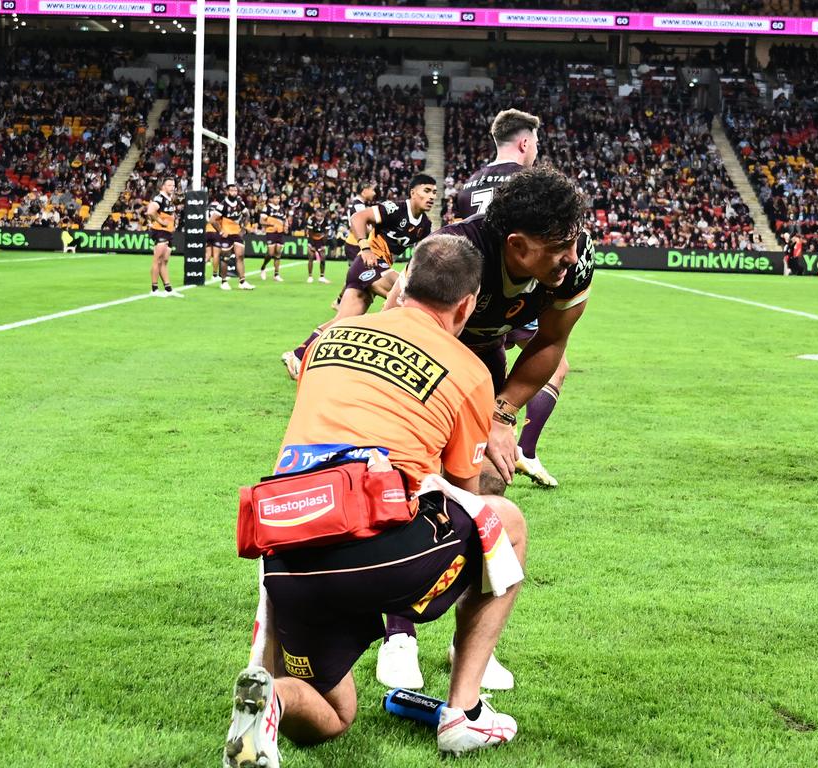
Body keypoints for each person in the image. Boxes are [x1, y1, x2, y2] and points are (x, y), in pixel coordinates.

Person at [222, 235, 526, 765]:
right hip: (378, 552)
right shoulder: (470, 370)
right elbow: (464, 493)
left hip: (287, 549)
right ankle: (464, 714)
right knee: (505, 520)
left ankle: (271, 703)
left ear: (404, 280)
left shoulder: (329, 337)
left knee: (334, 716)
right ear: (466, 304)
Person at [376, 165, 592, 691]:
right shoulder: (455, 251)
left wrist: (500, 414)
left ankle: (465, 643)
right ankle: (399, 633)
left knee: (489, 489)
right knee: (414, 488)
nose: (570, 256)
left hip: (485, 362)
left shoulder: (575, 262)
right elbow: (398, 327)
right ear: (517, 247)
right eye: (558, 245)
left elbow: (548, 344)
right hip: (420, 361)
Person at [451, 108, 564, 487]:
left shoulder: (468, 184)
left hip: (470, 294)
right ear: (525, 142)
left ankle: (479, 446)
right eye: (537, 144)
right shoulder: (531, 182)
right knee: (555, 363)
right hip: (515, 287)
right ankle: (524, 452)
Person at [281, 175, 436, 380]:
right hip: (367, 263)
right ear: (413, 192)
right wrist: (364, 247)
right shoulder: (395, 209)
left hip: (375, 269)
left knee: (343, 321)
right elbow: (358, 218)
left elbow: (420, 255)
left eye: (434, 192)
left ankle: (297, 355)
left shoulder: (425, 225)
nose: (432, 196)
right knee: (407, 295)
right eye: (426, 190)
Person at [210, 183, 255, 291]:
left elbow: (247, 215)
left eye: (235, 190)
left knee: (240, 256)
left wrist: (243, 228)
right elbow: (212, 220)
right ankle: (224, 281)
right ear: (227, 192)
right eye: (232, 191)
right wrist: (221, 231)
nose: (234, 192)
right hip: (226, 235)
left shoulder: (240, 202)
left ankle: (242, 282)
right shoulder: (223, 204)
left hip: (237, 234)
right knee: (225, 258)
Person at [145, 177, 183, 297]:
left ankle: (168, 288)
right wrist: (160, 221)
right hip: (160, 231)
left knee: (164, 261)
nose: (172, 187)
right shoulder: (159, 198)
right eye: (169, 185)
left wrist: (173, 220)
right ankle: (154, 289)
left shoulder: (169, 199)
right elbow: (150, 211)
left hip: (168, 231)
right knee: (157, 260)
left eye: (173, 185)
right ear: (163, 186)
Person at [258, 192, 286, 282]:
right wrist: (269, 223)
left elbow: (284, 220)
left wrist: (286, 226)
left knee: (278, 252)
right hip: (271, 232)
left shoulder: (281, 209)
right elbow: (261, 221)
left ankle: (276, 274)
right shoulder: (267, 208)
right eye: (275, 198)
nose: (277, 200)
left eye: (278, 198)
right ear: (271, 199)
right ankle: (263, 267)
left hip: (280, 233)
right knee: (270, 253)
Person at [305, 209, 330, 284]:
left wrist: (323, 245)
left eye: (321, 216)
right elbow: (310, 233)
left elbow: (326, 234)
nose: (319, 218)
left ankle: (322, 277)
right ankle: (310, 276)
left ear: (324, 216)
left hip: (321, 239)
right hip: (312, 238)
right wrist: (311, 245)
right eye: (318, 216)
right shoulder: (311, 220)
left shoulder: (326, 221)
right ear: (315, 215)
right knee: (311, 257)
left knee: (323, 258)